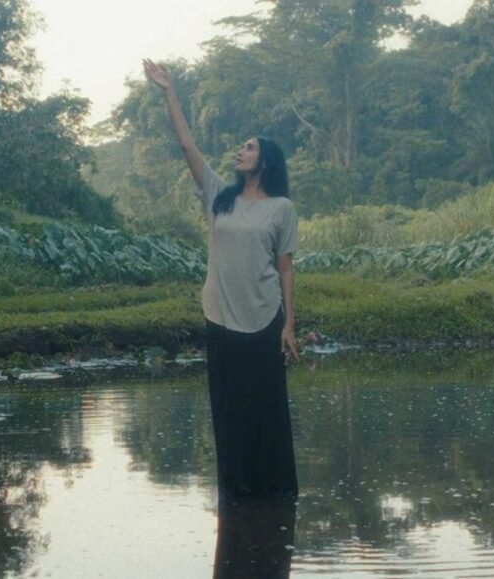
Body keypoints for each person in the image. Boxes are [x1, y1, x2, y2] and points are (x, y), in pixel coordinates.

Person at [143, 59, 299, 501]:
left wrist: (289, 325)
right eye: (241, 147)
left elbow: (285, 267)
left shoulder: (281, 208)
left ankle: (275, 496)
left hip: (265, 316)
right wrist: (168, 91)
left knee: (266, 409)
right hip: (220, 316)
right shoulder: (218, 195)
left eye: (249, 148)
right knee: (228, 410)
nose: (240, 152)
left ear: (265, 161)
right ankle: (235, 494)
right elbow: (188, 147)